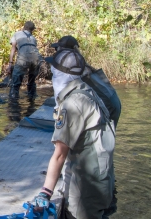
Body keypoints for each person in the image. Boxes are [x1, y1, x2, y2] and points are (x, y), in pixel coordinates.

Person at [33, 48, 115, 219]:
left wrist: (45, 193)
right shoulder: (88, 91)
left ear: (59, 74)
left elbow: (59, 155)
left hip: (85, 189)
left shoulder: (72, 104)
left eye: (53, 72)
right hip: (103, 182)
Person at [51, 35, 121, 126]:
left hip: (108, 106)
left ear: (63, 49)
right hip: (113, 101)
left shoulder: (71, 68)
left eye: (57, 48)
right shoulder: (81, 64)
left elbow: (61, 91)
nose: (56, 51)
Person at [6, 21, 44, 99]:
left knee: (15, 83)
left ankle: (13, 102)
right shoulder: (33, 38)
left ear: (24, 27)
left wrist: (10, 64)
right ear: (32, 30)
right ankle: (32, 98)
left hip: (23, 58)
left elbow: (13, 48)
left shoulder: (17, 34)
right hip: (37, 58)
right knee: (31, 81)